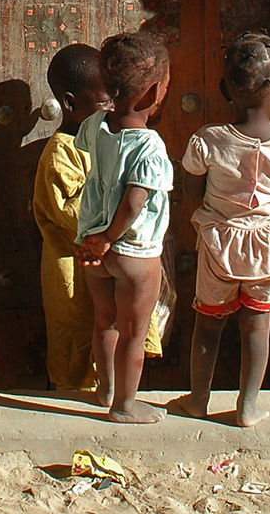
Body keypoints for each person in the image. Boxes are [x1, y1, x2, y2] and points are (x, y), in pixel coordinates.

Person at [172, 32, 270, 427]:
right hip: (269, 247)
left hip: (220, 245)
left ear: (223, 88)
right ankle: (247, 407)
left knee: (207, 325)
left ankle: (198, 399)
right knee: (257, 327)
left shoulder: (208, 140)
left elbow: (192, 188)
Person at [32, 43, 164, 390]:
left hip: (106, 262)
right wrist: (120, 225)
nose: (113, 107)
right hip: (77, 270)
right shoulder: (61, 153)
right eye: (105, 101)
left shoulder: (106, 137)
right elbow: (74, 212)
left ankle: (117, 394)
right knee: (79, 341)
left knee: (116, 331)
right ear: (71, 103)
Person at [76, 31, 173, 424]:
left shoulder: (95, 124)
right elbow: (135, 201)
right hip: (133, 251)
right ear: (152, 94)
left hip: (93, 243)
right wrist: (110, 238)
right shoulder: (150, 146)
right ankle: (125, 405)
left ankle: (106, 390)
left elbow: (91, 157)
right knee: (135, 331)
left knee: (105, 322)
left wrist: (97, 239)